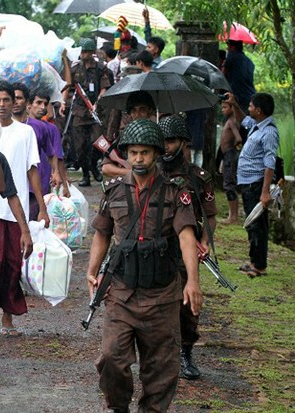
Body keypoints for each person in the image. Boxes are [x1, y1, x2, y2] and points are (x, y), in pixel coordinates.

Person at [87, 119, 203, 413]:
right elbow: (102, 233)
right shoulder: (113, 190)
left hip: (162, 295)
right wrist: (92, 271)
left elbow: (187, 237)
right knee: (111, 357)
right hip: (122, 293)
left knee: (161, 368)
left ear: (157, 154)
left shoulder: (176, 191)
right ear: (126, 153)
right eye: (134, 152)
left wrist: (192, 281)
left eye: (145, 153)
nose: (139, 159)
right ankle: (119, 407)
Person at [0, 81, 48, 336]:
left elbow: (32, 170)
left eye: (7, 100)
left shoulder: (25, 132)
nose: (3, 105)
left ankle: (7, 318)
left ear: (15, 102)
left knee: (11, 264)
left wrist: (41, 207)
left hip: (16, 211)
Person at [159, 115, 217, 380]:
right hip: (157, 249)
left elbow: (210, 214)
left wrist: (205, 241)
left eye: (171, 141)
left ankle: (185, 352)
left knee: (187, 306)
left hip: (186, 251)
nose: (167, 146)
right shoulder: (152, 172)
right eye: (163, 141)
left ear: (183, 142)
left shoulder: (197, 177)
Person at [228, 92, 279, 278]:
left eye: (250, 106)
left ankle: (259, 265)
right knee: (252, 224)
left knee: (258, 225)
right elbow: (243, 121)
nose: (248, 109)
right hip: (248, 184)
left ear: (258, 110)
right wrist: (234, 104)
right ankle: (253, 261)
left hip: (257, 185)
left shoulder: (269, 132)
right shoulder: (256, 126)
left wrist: (265, 192)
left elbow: (269, 163)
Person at [67, 38, 110, 186]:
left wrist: (98, 102)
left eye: (86, 51)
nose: (83, 54)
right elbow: (68, 85)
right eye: (82, 51)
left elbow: (104, 87)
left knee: (98, 142)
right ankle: (86, 174)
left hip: (95, 111)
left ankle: (93, 164)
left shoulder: (100, 68)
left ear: (92, 52)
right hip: (80, 111)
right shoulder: (75, 68)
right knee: (80, 146)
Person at [12, 83, 57, 219]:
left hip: (34, 186)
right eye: (12, 98)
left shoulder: (39, 127)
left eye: (19, 98)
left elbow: (51, 153)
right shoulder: (2, 127)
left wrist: (55, 173)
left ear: (27, 102)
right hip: (12, 185)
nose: (15, 102)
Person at [103, 91, 156, 177]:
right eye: (134, 110)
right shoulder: (125, 136)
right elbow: (106, 168)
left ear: (149, 111)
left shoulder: (157, 134)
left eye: (142, 110)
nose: (137, 114)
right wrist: (132, 173)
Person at [220, 100, 243, 224]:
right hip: (227, 155)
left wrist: (232, 150)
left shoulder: (232, 121)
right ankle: (232, 214)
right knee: (228, 183)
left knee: (229, 185)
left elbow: (238, 138)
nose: (222, 110)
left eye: (224, 107)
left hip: (230, 154)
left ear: (231, 107)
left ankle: (233, 216)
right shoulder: (228, 121)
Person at [223, 40, 256, 110]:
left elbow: (221, 76)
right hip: (251, 96)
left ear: (233, 47)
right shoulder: (249, 62)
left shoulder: (232, 56)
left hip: (239, 97)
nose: (227, 48)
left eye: (228, 46)